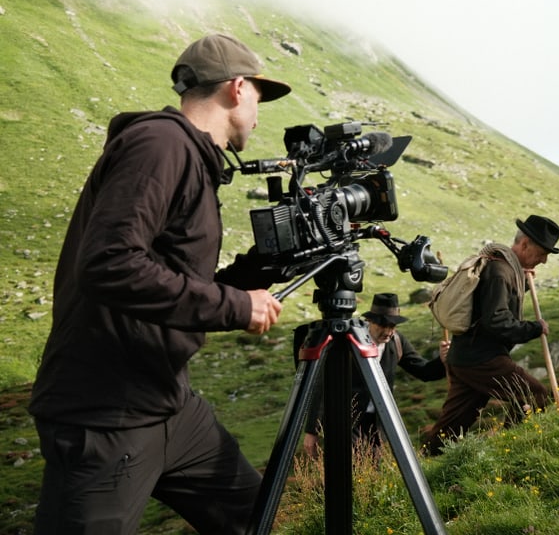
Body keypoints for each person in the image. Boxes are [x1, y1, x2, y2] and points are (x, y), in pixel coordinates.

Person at [28, 34, 292, 534]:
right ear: (237, 88)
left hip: (170, 404)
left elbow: (175, 279)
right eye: (259, 96)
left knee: (256, 519)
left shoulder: (191, 157)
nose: (259, 112)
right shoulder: (161, 144)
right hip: (106, 415)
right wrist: (236, 308)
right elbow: (110, 263)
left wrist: (261, 269)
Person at [422, 214, 559, 455]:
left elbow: (489, 303)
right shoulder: (501, 271)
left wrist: (523, 284)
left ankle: (428, 460)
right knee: (535, 393)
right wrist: (534, 328)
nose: (544, 260)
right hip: (482, 359)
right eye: (542, 253)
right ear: (525, 243)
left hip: (465, 357)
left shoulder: (501, 266)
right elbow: (496, 320)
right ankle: (510, 450)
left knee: (452, 425)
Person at [301, 292, 450, 459]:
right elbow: (323, 385)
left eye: (392, 326)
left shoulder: (397, 342)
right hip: (346, 422)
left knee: (372, 472)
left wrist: (443, 360)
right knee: (351, 468)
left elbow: (424, 372)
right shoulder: (349, 342)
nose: (388, 331)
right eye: (383, 325)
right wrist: (312, 430)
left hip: (379, 423)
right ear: (370, 321)